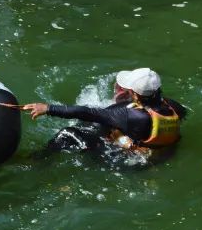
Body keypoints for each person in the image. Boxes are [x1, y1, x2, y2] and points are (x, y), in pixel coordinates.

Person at [22, 68, 187, 161]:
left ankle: (34, 162)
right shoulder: (174, 106)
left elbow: (89, 113)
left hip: (127, 162)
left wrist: (48, 108)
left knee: (67, 134)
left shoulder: (129, 115)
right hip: (159, 157)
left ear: (135, 95)